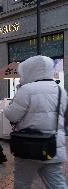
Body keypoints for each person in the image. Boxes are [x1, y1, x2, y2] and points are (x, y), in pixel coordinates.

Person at [4, 55, 68, 189]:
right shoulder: (60, 90)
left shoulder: (27, 89)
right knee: (57, 184)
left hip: (28, 145)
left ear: (29, 70)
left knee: (22, 184)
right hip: (53, 146)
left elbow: (12, 116)